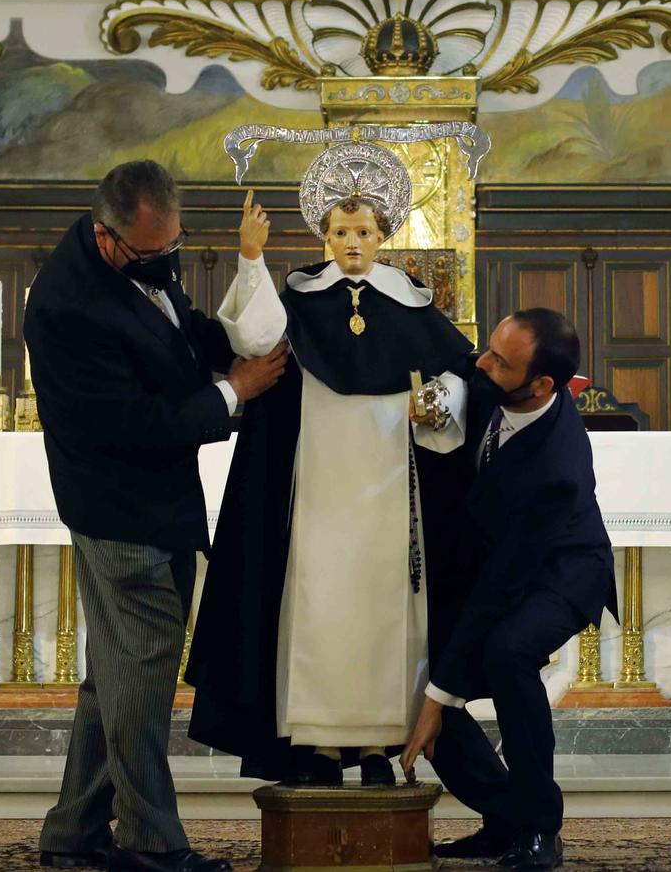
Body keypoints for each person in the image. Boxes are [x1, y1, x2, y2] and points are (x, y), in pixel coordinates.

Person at [26, 161, 289, 872]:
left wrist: (241, 344)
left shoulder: (147, 257)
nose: (169, 262)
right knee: (142, 675)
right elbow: (135, 421)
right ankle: (150, 841)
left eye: (175, 245)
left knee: (113, 674)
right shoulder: (65, 307)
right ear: (111, 241)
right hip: (120, 509)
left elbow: (181, 329)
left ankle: (74, 830)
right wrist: (232, 393)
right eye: (155, 253)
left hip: (157, 501)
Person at [188, 143, 478, 787]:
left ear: (384, 237)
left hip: (388, 489)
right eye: (342, 231)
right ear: (324, 235)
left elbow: (463, 373)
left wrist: (439, 401)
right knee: (317, 599)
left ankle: (378, 745)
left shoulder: (407, 301)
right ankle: (317, 742)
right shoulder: (302, 296)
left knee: (383, 606)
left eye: (366, 231)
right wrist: (252, 256)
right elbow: (256, 339)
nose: (353, 241)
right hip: (316, 485)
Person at [400, 308, 616, 872]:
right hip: (497, 561)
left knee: (503, 654)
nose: (481, 362)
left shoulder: (555, 466)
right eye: (490, 348)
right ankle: (505, 819)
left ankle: (541, 828)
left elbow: (502, 585)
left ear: (542, 385)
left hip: (563, 570)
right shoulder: (501, 378)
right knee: (429, 669)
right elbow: (458, 363)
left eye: (499, 361)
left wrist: (438, 698)